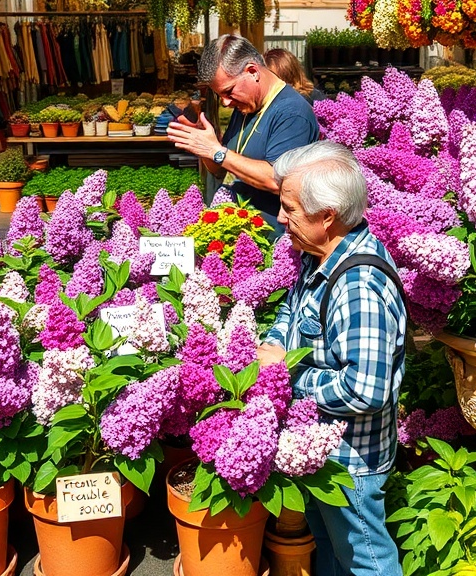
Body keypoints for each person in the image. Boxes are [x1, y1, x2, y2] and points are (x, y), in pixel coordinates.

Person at [257, 140, 406, 576]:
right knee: (330, 550)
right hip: (322, 449)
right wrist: (274, 343)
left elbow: (365, 390)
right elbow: (292, 309)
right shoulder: (319, 253)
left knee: (366, 562)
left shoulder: (358, 286)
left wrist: (285, 375)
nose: (281, 217)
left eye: (290, 208)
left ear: (327, 217)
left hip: (351, 462)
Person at [166, 34, 319, 224]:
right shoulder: (246, 106)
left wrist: (217, 151)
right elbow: (219, 169)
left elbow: (277, 180)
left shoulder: (292, 112)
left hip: (275, 241)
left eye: (229, 91)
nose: (226, 102)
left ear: (253, 71)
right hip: (241, 236)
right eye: (220, 95)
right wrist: (203, 146)